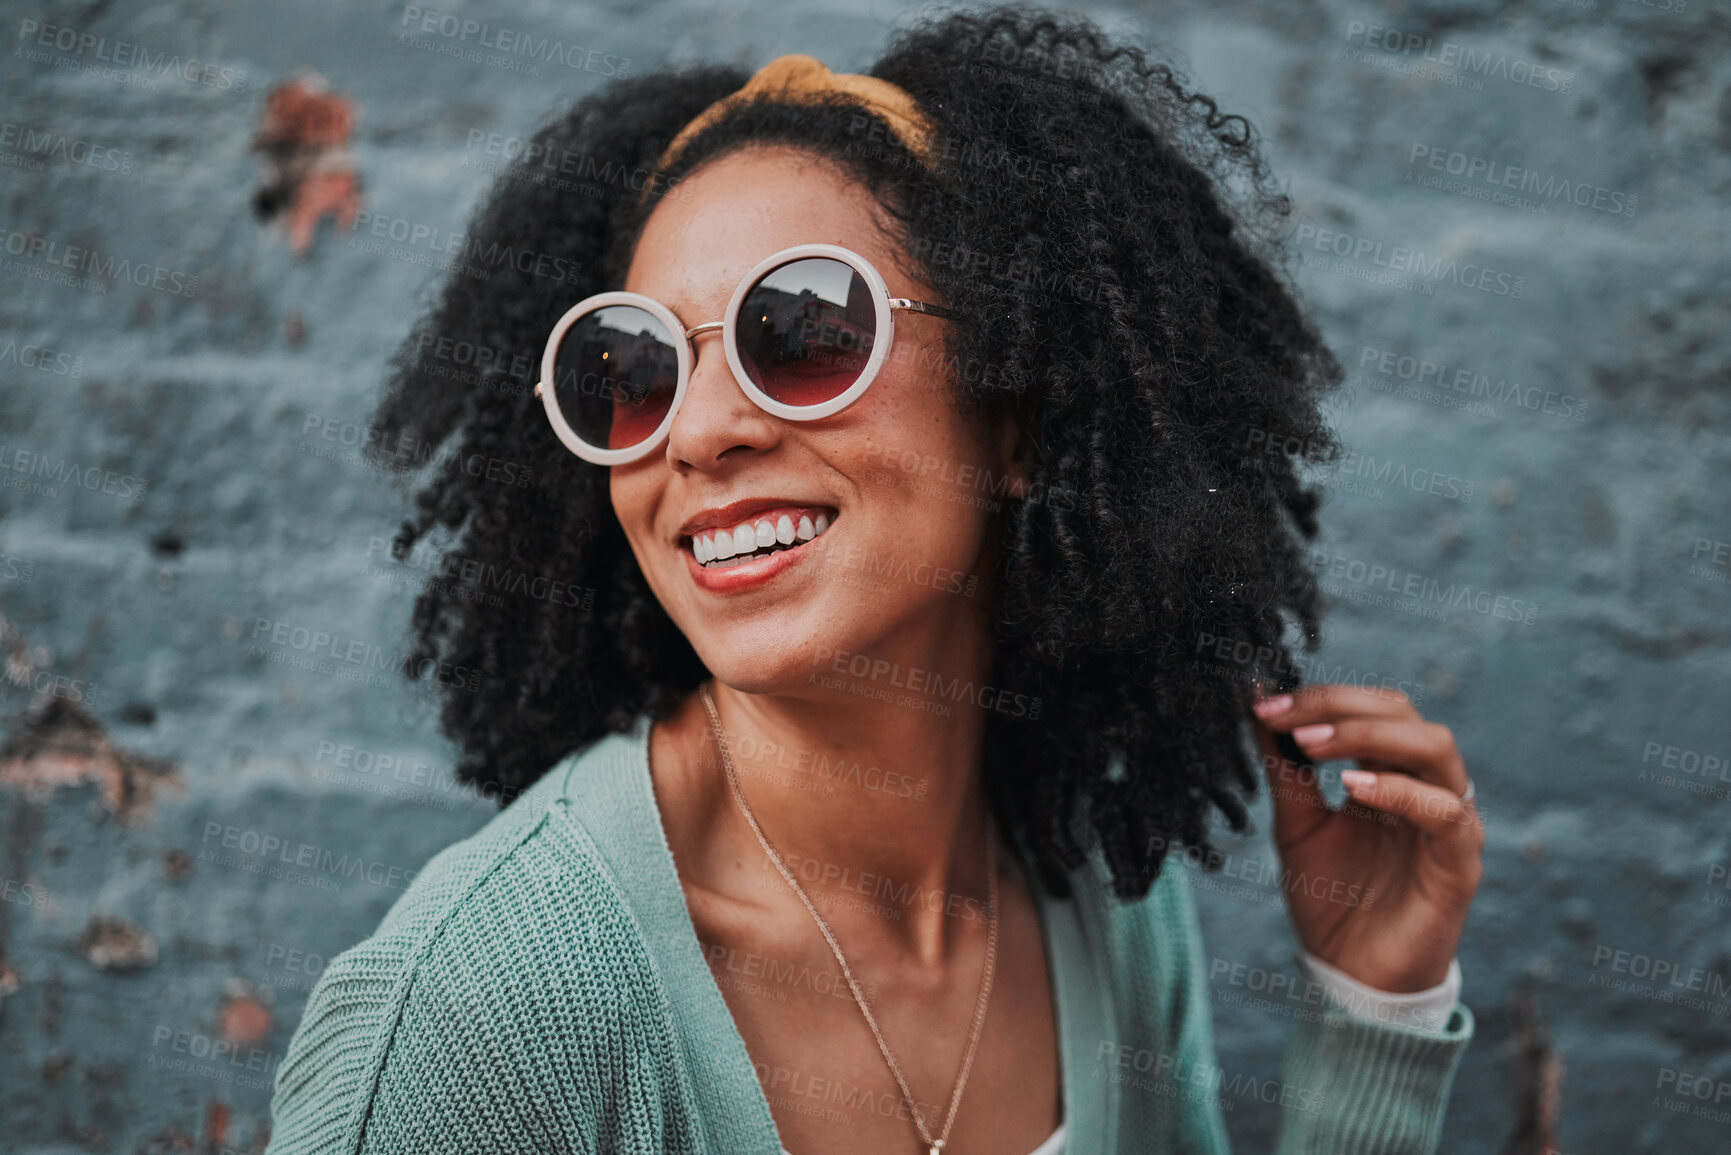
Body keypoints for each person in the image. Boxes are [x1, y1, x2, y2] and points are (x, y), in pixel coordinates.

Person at [265, 9, 1482, 1153]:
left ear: (1014, 414)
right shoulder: (479, 1014)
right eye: (631, 370)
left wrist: (1373, 1009)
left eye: (799, 334)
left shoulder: (1101, 886)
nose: (696, 434)